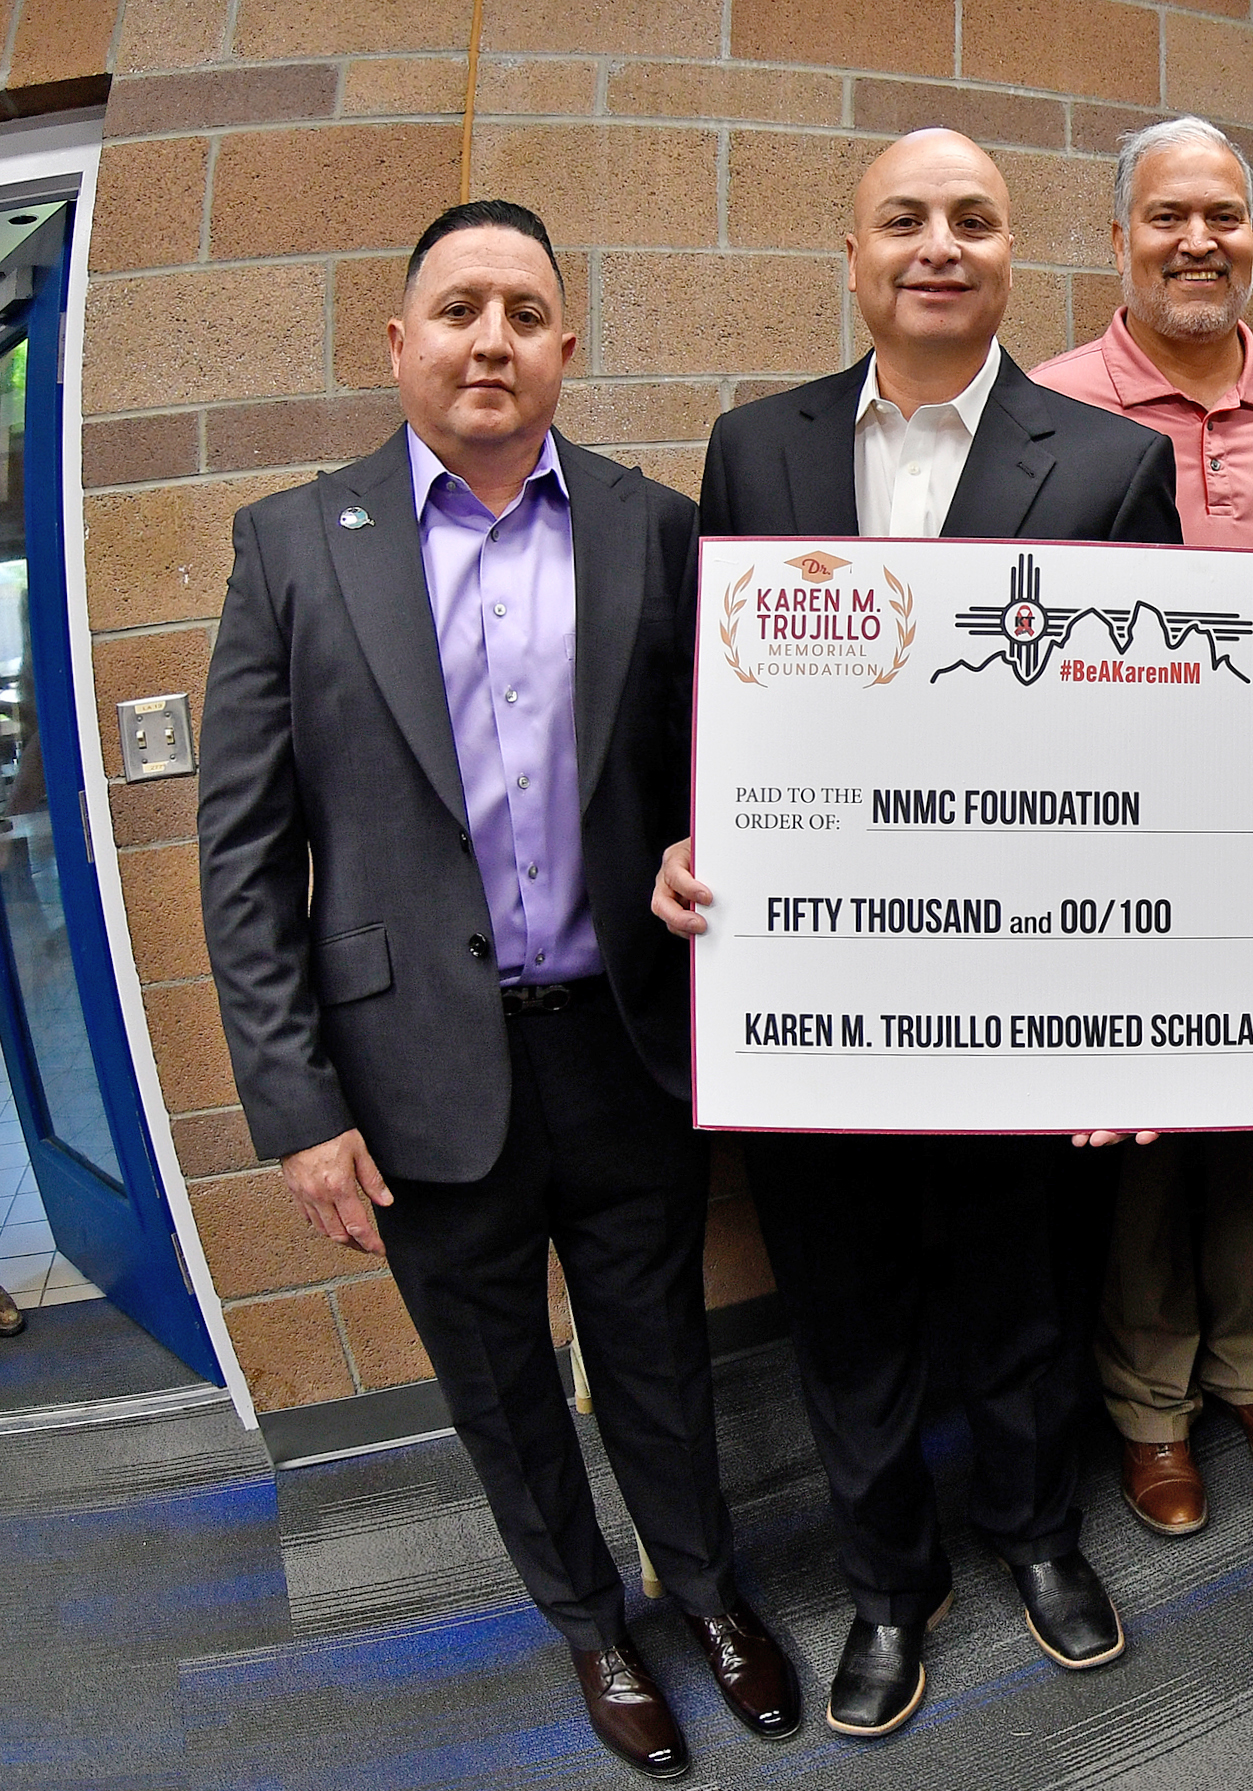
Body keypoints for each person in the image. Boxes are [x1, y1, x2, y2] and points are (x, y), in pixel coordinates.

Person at [196, 201, 796, 1783]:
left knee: (659, 1352)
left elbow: (713, 770)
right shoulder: (288, 544)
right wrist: (298, 1108)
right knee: (501, 1386)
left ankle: (710, 1591)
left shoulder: (649, 527)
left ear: (564, 349)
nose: (491, 339)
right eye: (458, 309)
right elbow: (243, 855)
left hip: (620, 1040)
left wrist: (702, 843)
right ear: (397, 342)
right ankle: (591, 1621)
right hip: (409, 1076)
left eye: (525, 312)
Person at [657, 129, 1184, 1741]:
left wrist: (1137, 999)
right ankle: (892, 1578)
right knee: (843, 1294)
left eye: (971, 218)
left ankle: (1035, 1531)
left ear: (1017, 251)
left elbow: (1160, 749)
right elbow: (722, 697)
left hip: (1023, 971)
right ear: (854, 252)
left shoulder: (1102, 463)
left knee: (1023, 1284)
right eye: (905, 218)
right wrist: (690, 839)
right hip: (812, 979)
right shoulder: (752, 448)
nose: (937, 243)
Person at [1030, 115, 1253, 1537]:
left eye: (1223, 213)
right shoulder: (1047, 405)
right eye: (1167, 215)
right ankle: (1148, 1407)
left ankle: (1251, 1376)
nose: (1198, 240)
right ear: (1119, 238)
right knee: (1143, 1136)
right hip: (1120, 834)